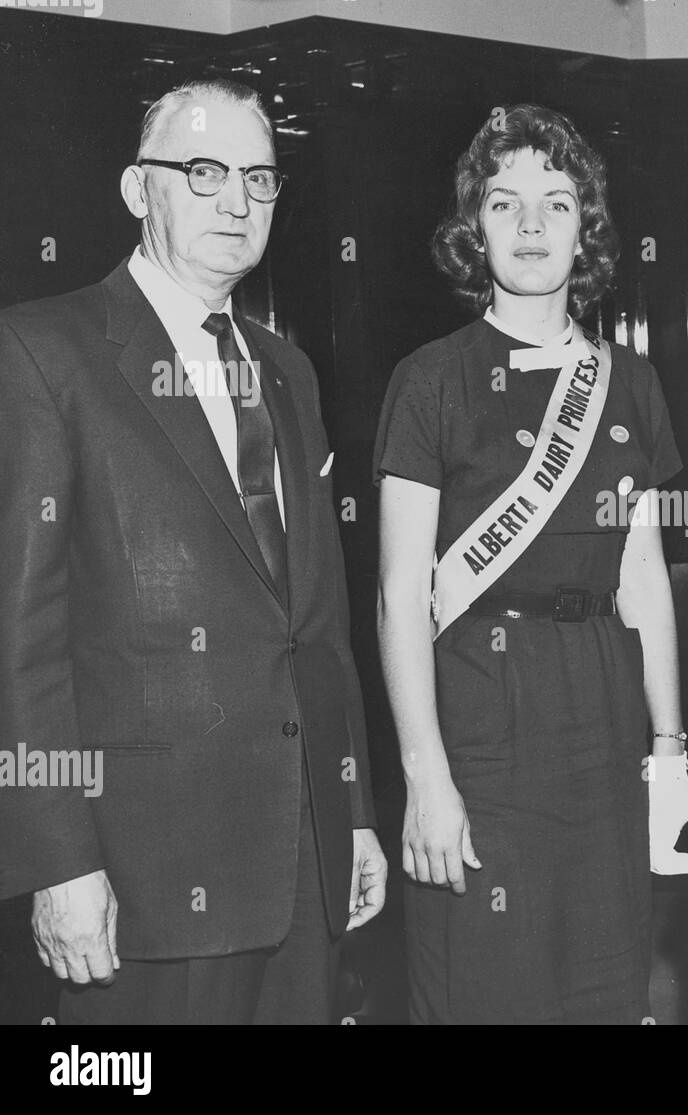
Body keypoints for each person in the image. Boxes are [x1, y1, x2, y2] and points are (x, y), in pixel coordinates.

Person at [0, 79, 386, 1024]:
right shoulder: (42, 353)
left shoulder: (287, 370)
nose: (237, 201)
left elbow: (320, 625)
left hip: (302, 865)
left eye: (259, 177)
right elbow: (18, 646)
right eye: (203, 171)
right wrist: (61, 865)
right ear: (139, 191)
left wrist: (358, 814)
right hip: (143, 882)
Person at [374, 104, 688, 1025]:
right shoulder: (431, 378)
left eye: (556, 206)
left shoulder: (628, 381)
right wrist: (424, 775)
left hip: (602, 711)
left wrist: (668, 751)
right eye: (505, 204)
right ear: (474, 226)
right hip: (479, 707)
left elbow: (644, 578)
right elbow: (402, 596)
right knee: (486, 986)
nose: (530, 228)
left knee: (603, 979)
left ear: (585, 229)